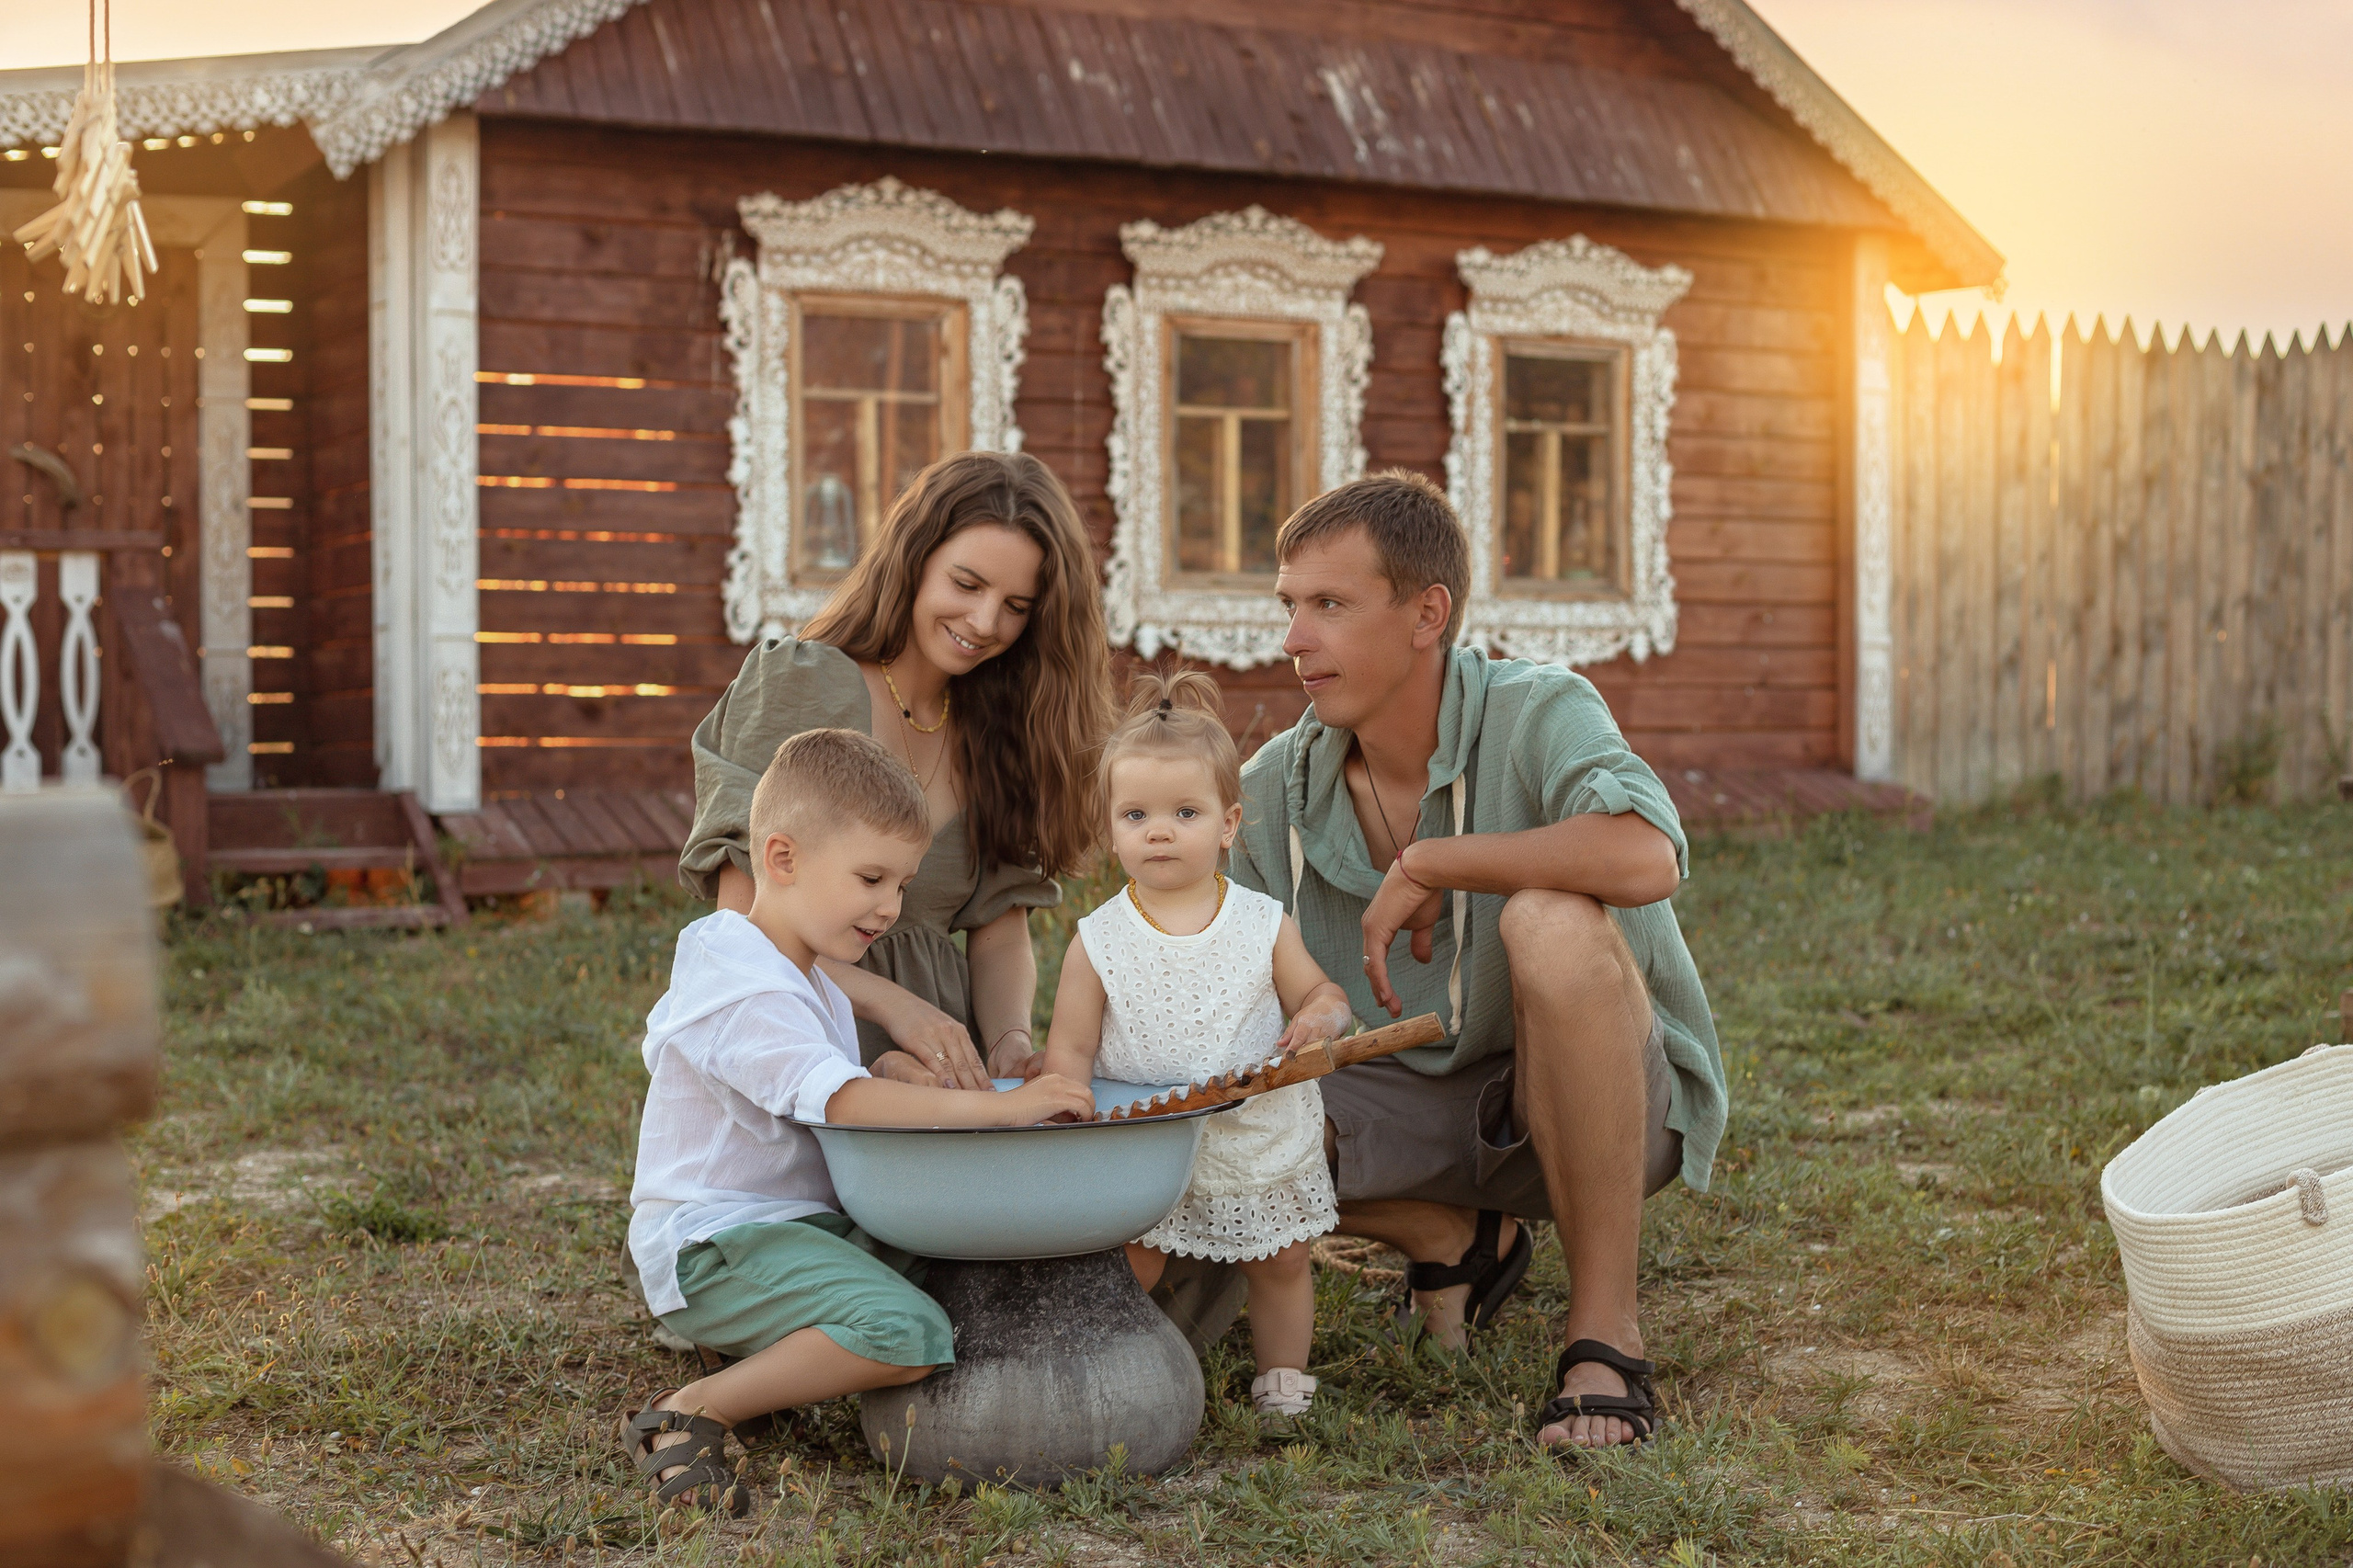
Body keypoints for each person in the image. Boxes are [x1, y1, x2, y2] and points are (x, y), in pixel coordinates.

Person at [1224, 470, 1727, 1451]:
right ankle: (1449, 1233)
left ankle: (1602, 1336)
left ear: (1427, 613)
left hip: (1583, 1104)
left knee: (1547, 921)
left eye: (1328, 604)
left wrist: (1440, 859)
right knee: (1219, 1102)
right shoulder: (1273, 788)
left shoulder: (1538, 709)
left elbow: (1646, 852)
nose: (1294, 638)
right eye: (1290, 605)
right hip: (1396, 1110)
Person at [622, 729, 1095, 1513]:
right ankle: (693, 1410)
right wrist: (999, 1109)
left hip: (798, 1227)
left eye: (903, 883)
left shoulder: (800, 973)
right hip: (717, 1246)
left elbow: (816, 1090)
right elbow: (836, 1103)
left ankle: (769, 1353)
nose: (891, 907)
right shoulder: (742, 983)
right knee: (905, 1333)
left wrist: (886, 1068)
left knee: (957, 1265)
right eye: (871, 877)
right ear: (781, 859)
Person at [679, 450, 1115, 1089]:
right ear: (914, 561)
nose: (985, 622)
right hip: (797, 1052)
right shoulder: (804, 684)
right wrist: (893, 1004)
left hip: (933, 1077)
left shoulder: (1001, 729)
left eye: (1017, 605)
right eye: (966, 585)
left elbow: (999, 928)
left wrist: (1008, 1045)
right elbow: (745, 926)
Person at [1039, 670, 1357, 1421]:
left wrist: (1317, 1021)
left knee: (1280, 1259)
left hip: (1253, 1132)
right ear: (1111, 826)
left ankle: (1283, 1381)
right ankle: (1107, 1369)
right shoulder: (1100, 942)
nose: (1158, 830)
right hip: (1150, 1138)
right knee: (1134, 1263)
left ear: (1227, 823)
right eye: (1136, 813)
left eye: (1185, 812)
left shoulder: (1259, 922)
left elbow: (1324, 994)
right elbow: (1069, 1051)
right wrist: (1067, 1113)